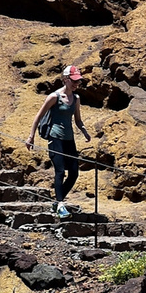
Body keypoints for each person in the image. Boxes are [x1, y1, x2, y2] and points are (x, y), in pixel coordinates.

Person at [27, 65, 92, 218]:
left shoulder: (76, 98)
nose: (76, 84)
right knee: (60, 171)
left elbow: (77, 120)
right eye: (74, 81)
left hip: (69, 139)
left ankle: (57, 201)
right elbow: (38, 116)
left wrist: (84, 131)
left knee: (74, 173)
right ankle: (61, 204)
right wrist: (31, 137)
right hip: (55, 137)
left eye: (78, 82)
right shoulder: (54, 97)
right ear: (65, 79)